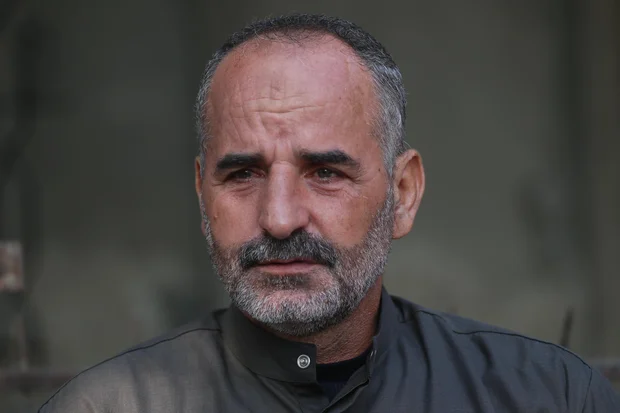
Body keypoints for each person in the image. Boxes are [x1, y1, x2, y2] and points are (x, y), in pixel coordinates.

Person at [39, 13, 620, 413]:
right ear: (201, 195)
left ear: (403, 193)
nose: (280, 218)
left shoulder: (548, 397)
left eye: (325, 173)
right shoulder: (109, 406)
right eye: (242, 175)